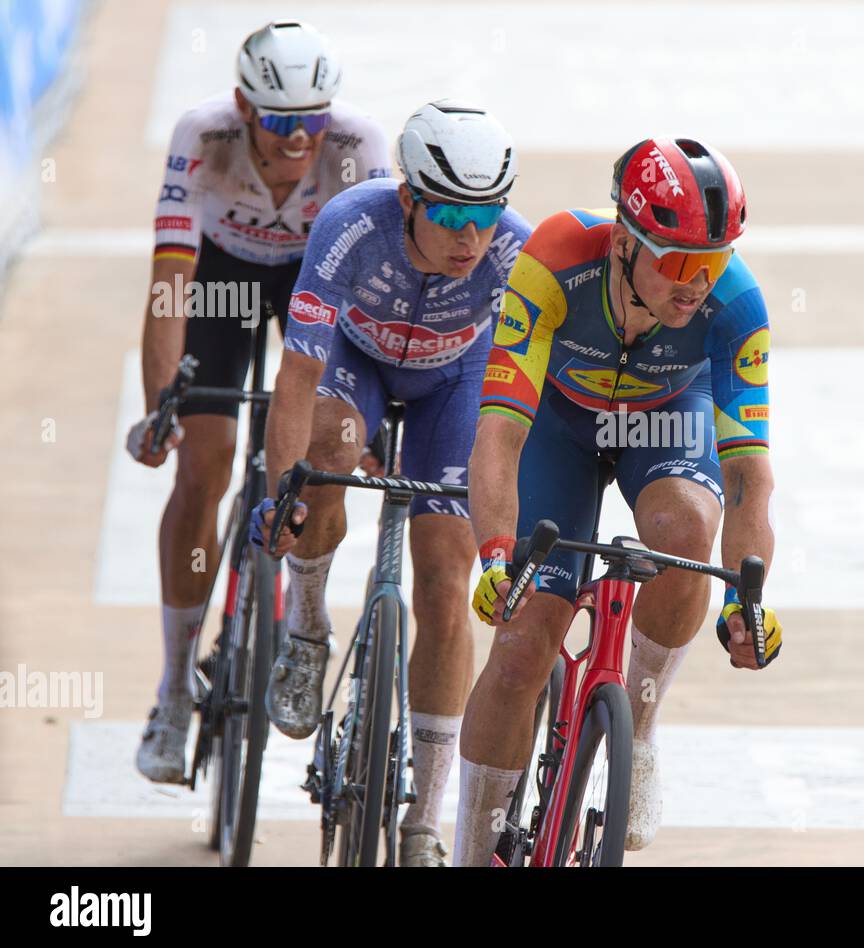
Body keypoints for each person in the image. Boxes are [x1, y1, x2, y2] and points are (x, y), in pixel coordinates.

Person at [456, 137, 784, 865]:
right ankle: (471, 850)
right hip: (557, 424)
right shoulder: (554, 258)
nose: (696, 283)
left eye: (714, 260)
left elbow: (748, 477)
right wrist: (494, 556)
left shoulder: (737, 305)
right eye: (676, 261)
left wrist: (748, 602)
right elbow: (501, 434)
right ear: (623, 243)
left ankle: (639, 723)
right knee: (521, 645)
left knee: (686, 528)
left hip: (665, 421)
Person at [251, 100, 532, 866]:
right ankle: (307, 628)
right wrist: (284, 493)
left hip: (455, 380)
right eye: (449, 215)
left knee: (445, 582)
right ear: (408, 198)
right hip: (355, 363)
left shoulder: (515, 251)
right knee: (327, 462)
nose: (470, 237)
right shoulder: (350, 224)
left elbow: (538, 395)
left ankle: (423, 821)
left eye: (486, 215)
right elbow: (299, 373)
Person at [127, 20, 389, 786]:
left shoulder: (358, 143)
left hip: (318, 280)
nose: (299, 139)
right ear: (244, 107)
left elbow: (373, 287)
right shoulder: (200, 136)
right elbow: (172, 277)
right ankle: (175, 690)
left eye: (313, 119)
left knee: (320, 449)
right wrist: (160, 406)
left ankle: (302, 625)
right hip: (224, 279)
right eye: (280, 121)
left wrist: (363, 414)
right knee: (203, 466)